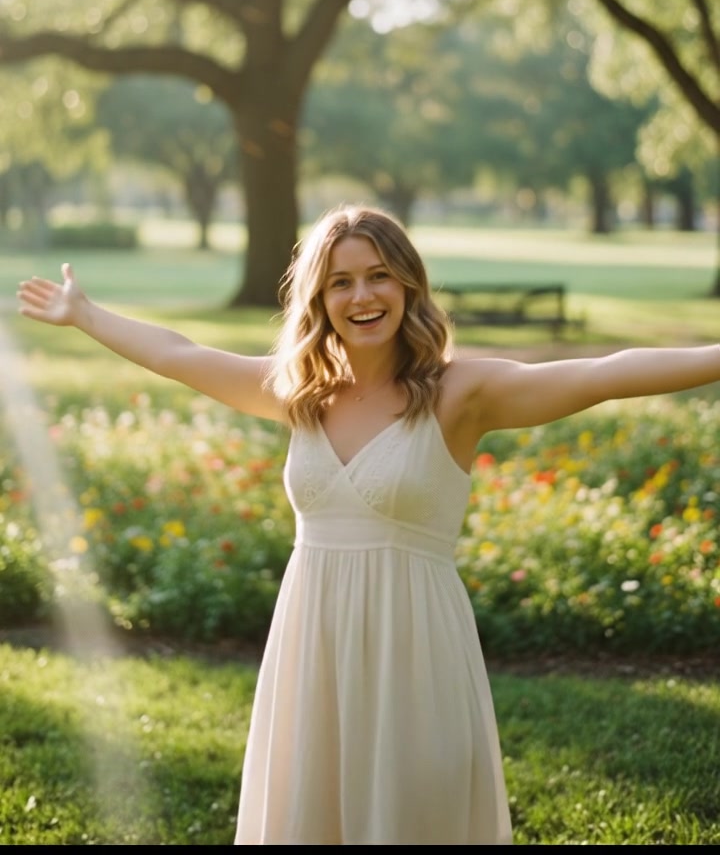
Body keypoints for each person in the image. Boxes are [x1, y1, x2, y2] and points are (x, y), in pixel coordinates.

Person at [16, 203, 720, 846]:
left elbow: (609, 371)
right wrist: (86, 313)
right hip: (311, 644)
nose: (362, 297)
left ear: (408, 285)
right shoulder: (298, 394)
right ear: (319, 299)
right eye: (341, 282)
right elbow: (180, 355)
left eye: (379, 276)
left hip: (414, 647)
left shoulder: (461, 395)